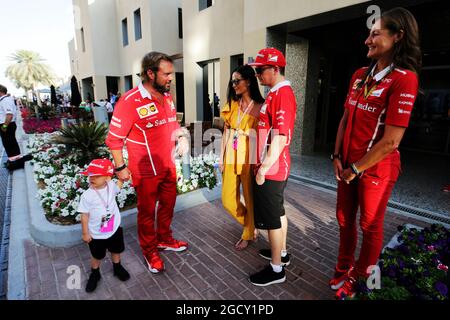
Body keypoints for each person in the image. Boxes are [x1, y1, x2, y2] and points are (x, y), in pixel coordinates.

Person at [330, 7, 421, 299]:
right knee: (344, 219)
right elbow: (345, 118)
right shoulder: (359, 75)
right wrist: (336, 156)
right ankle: (344, 268)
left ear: (398, 37)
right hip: (346, 166)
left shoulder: (404, 79)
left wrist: (356, 168)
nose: (367, 41)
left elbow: (391, 140)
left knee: (369, 226)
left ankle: (360, 280)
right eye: (368, 35)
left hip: (376, 169)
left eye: (375, 34)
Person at [105, 52, 190, 274]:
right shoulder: (129, 101)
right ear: (150, 73)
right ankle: (150, 250)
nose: (171, 77)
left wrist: (180, 136)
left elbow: (172, 123)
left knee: (169, 205)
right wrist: (121, 168)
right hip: (145, 170)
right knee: (146, 212)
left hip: (168, 166)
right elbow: (114, 139)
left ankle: (164, 239)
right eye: (167, 73)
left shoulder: (167, 96)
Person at [248, 48, 297, 286]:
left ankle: (276, 268)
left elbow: (281, 137)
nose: (257, 74)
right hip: (274, 167)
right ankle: (282, 253)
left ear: (275, 69)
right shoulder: (275, 93)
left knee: (272, 220)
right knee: (278, 212)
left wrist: (262, 169)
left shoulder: (283, 94)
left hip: (273, 168)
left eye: (260, 69)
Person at [220, 65, 265, 251]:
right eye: (232, 81)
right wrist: (221, 158)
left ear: (248, 81)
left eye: (237, 81)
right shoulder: (232, 104)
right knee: (227, 200)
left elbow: (264, 136)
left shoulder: (261, 107)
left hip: (249, 156)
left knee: (249, 197)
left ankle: (248, 233)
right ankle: (251, 224)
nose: (234, 85)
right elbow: (226, 131)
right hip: (231, 154)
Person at [77, 159, 130, 293]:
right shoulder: (87, 195)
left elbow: (117, 189)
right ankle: (95, 273)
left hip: (114, 228)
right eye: (90, 175)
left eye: (96, 176)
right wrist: (85, 233)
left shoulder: (111, 185)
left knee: (116, 250)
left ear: (107, 177)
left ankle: (117, 267)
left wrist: (122, 180)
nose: (92, 178)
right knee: (97, 255)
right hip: (96, 234)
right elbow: (84, 215)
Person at [0, 85, 33, 170]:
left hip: (7, 125)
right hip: (8, 124)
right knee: (9, 144)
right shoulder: (4, 100)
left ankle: (16, 164)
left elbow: (9, 115)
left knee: (10, 144)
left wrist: (4, 126)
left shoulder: (5, 100)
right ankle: (13, 161)